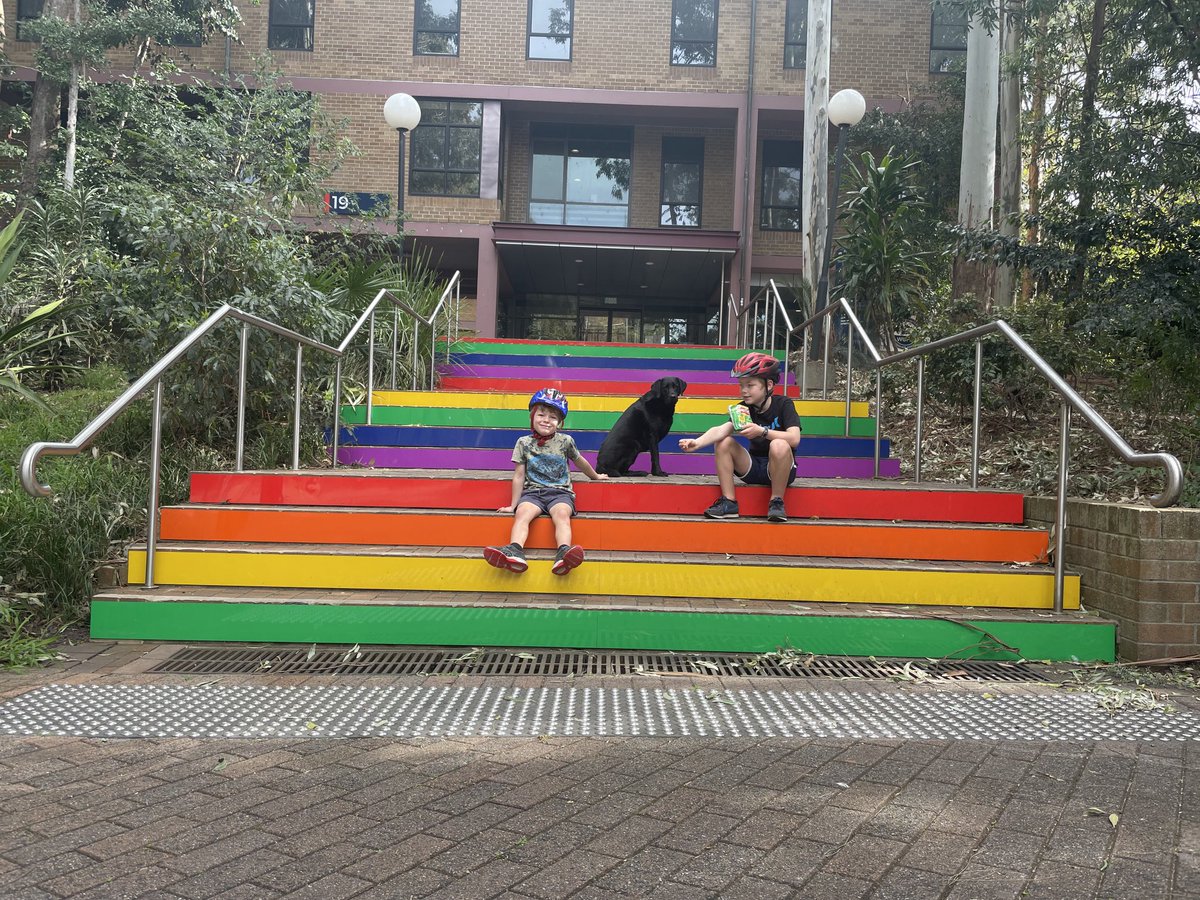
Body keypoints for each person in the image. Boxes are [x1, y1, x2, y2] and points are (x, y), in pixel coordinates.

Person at [484, 388, 608, 574]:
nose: (546, 420)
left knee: (561, 515)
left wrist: (596, 476)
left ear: (560, 423)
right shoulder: (523, 442)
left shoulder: (565, 441)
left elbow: (580, 461)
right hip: (532, 493)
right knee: (522, 514)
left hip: (560, 493)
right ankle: (515, 550)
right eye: (541, 414)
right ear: (532, 417)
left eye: (552, 417)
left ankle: (564, 552)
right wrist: (513, 505)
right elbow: (519, 475)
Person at [677, 351, 801, 523]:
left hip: (781, 470)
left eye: (750, 385)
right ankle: (729, 502)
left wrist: (762, 432)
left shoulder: (784, 404)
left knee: (779, 444)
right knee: (724, 442)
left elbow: (794, 439)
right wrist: (697, 443)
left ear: (769, 385)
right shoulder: (743, 408)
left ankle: (777, 502)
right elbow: (722, 429)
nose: (744, 391)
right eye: (741, 385)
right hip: (754, 467)